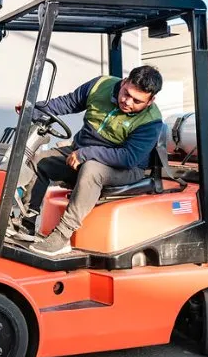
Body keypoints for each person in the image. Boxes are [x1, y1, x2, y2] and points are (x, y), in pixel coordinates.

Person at [21, 65, 164, 257]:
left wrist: (86, 154)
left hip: (124, 167)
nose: (127, 102)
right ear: (124, 82)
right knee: (40, 161)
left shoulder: (151, 121)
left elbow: (128, 157)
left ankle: (61, 237)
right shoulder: (100, 85)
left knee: (92, 170)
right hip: (82, 152)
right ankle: (26, 223)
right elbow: (67, 103)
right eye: (126, 93)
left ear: (150, 101)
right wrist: (33, 109)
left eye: (137, 101)